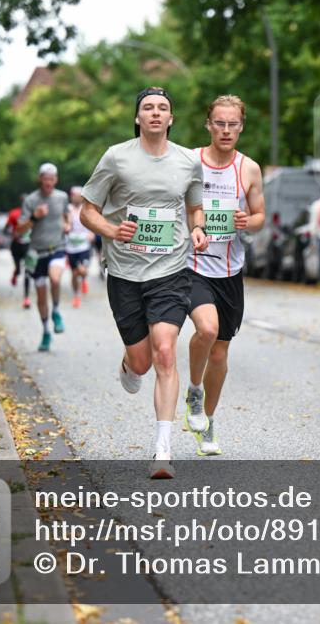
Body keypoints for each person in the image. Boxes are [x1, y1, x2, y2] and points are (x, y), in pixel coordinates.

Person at [79, 86, 207, 479]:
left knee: (165, 351)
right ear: (138, 118)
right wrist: (111, 230)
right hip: (124, 272)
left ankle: (163, 451)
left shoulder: (188, 161)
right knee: (143, 361)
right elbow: (87, 211)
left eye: (162, 108)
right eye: (148, 108)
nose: (155, 113)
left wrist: (198, 229)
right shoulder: (116, 157)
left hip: (170, 270)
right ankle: (129, 363)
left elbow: (195, 208)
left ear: (170, 118)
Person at [185, 95, 265, 457]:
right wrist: (193, 226)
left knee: (219, 354)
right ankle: (194, 390)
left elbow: (260, 215)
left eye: (233, 124)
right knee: (207, 329)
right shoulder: (190, 162)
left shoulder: (249, 168)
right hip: (193, 266)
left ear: (241, 126)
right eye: (220, 123)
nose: (226, 130)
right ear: (209, 125)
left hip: (230, 270)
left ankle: (208, 421)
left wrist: (248, 221)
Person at [16, 163, 70, 352]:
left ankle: (56, 311)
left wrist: (67, 225)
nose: (48, 182)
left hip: (57, 248)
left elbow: (66, 216)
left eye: (51, 179)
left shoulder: (62, 197)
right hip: (37, 253)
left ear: (56, 180)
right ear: (40, 179)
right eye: (45, 178)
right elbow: (19, 230)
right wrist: (34, 217)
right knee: (40, 296)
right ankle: (46, 331)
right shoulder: (31, 200)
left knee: (55, 279)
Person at [65, 186, 95, 308]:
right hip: (71, 245)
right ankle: (76, 296)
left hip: (84, 244)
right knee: (74, 273)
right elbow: (64, 224)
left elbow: (93, 223)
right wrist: (66, 226)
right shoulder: (67, 209)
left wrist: (92, 233)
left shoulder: (86, 209)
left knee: (82, 270)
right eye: (74, 196)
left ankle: (83, 279)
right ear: (71, 197)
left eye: (78, 196)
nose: (76, 198)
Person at [5, 194, 33, 309]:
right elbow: (5, 230)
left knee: (28, 272)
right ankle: (15, 273)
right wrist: (14, 233)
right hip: (16, 245)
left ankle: (26, 298)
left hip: (28, 246)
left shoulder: (34, 214)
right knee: (18, 269)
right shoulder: (14, 213)